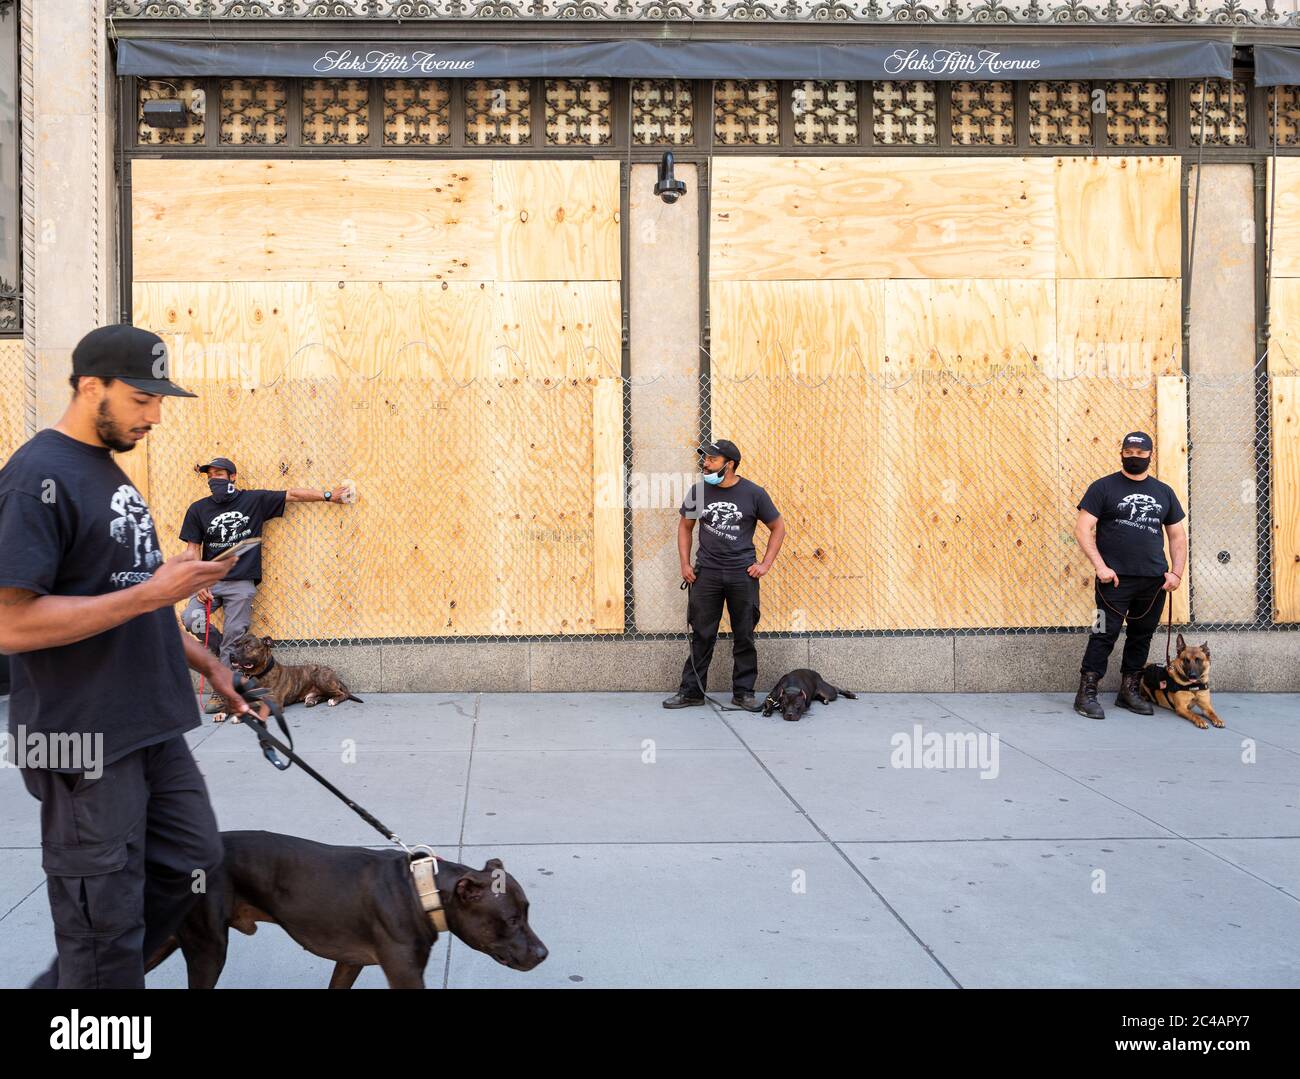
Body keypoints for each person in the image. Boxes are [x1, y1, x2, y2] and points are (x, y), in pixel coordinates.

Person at [0, 324, 263, 989]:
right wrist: (155, 590)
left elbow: (132, 597)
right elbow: (11, 624)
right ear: (91, 386)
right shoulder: (35, 479)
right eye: (141, 399)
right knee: (104, 918)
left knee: (193, 862)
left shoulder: (104, 471)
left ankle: (79, 988)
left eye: (159, 400)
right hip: (82, 739)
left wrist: (209, 665)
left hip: (149, 724)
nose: (154, 415)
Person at [179, 457, 352, 713]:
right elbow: (193, 548)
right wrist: (198, 581)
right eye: (210, 475)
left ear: (233, 476)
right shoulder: (198, 509)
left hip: (241, 582)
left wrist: (328, 495)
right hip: (211, 581)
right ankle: (221, 652)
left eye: (219, 473)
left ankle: (223, 693)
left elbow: (292, 494)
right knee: (191, 618)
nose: (215, 479)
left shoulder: (253, 501)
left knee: (233, 638)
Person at [663, 439, 785, 713]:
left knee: (744, 635)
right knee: (703, 634)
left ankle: (743, 693)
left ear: (729, 464)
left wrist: (765, 564)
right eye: (705, 459)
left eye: (711, 459)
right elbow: (685, 527)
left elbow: (778, 527)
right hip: (706, 574)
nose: (705, 463)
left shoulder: (754, 493)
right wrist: (685, 564)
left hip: (742, 574)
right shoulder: (698, 492)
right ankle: (692, 692)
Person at [1073, 430, 1187, 720]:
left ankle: (1129, 690)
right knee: (1103, 633)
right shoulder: (1103, 488)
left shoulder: (1164, 492)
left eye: (1140, 453)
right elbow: (1082, 529)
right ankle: (1086, 693)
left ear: (1151, 454)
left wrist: (1175, 572)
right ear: (1121, 452)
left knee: (1142, 635)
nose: (1134, 457)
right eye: (1129, 452)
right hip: (1114, 580)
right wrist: (1100, 567)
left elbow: (1177, 536)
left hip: (1154, 581)